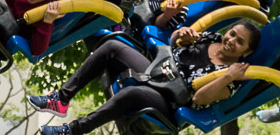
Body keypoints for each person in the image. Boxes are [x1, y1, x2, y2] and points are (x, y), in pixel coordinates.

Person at [33, 20, 261, 135]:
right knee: (113, 45)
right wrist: (181, 35)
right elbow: (172, 43)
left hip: (171, 100)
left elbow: (200, 98)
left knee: (132, 94)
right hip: (160, 70)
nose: (231, 40)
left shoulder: (233, 78)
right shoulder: (213, 37)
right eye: (233, 33)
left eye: (240, 42)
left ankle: (72, 130)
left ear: (246, 52)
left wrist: (225, 77)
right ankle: (60, 99)